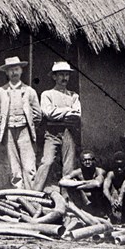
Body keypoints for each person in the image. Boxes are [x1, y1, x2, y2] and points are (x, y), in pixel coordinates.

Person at [0, 56, 41, 189]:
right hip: (9, 132)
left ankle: (32, 195)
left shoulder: (29, 91)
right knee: (14, 166)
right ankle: (19, 195)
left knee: (29, 165)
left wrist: (29, 125)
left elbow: (38, 114)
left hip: (24, 131)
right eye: (11, 70)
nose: (14, 72)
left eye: (16, 69)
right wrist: (3, 125)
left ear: (21, 71)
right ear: (6, 73)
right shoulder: (0, 92)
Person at [33, 61, 81, 191]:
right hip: (52, 133)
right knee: (47, 162)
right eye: (61, 75)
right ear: (54, 77)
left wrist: (59, 111)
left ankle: (67, 197)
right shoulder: (47, 94)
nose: (64, 78)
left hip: (69, 133)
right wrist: (67, 110)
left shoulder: (74, 96)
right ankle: (34, 194)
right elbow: (48, 113)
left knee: (68, 166)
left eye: (67, 75)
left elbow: (77, 114)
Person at [59, 150, 107, 216]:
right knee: (71, 184)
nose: (87, 162)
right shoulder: (78, 172)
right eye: (84, 160)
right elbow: (61, 182)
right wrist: (83, 183)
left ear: (94, 160)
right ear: (81, 162)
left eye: (89, 160)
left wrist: (76, 186)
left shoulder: (99, 171)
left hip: (97, 202)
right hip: (83, 201)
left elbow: (97, 183)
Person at [103, 151, 125, 222]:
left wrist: (120, 199)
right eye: (117, 166)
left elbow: (124, 186)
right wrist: (112, 200)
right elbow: (105, 189)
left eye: (122, 167)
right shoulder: (111, 174)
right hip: (114, 198)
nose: (119, 169)